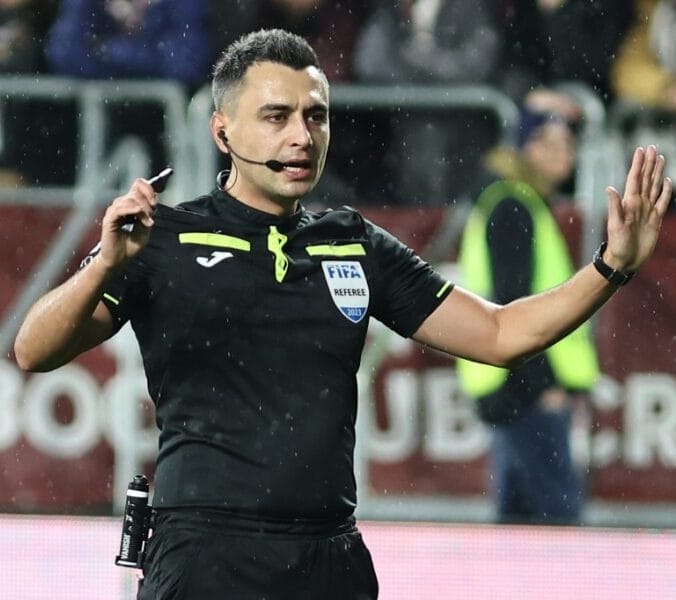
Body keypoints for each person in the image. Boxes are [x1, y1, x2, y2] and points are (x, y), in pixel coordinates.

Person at [12, 28, 672, 599]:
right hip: (205, 553)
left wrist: (611, 266)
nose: (302, 136)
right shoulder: (162, 239)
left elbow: (502, 335)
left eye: (316, 116)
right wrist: (102, 265)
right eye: (276, 116)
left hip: (329, 556)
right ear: (222, 130)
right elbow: (33, 350)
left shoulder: (353, 243)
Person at [456, 98, 598, 524]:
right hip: (523, 388)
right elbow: (513, 304)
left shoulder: (515, 202)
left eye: (567, 144)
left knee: (519, 524)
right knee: (557, 518)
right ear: (522, 148)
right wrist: (541, 385)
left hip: (509, 381)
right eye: (547, 142)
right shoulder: (514, 206)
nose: (562, 154)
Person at [353, 0, 502, 205]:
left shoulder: (470, 7)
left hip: (461, 132)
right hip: (397, 136)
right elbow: (369, 64)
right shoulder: (391, 10)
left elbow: (476, 66)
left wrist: (415, 60)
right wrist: (422, 77)